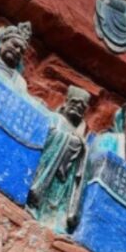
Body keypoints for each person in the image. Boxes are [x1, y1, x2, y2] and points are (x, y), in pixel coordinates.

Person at [26, 86, 91, 232]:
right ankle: (35, 207)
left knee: (59, 198)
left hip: (66, 178)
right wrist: (69, 140)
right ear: (66, 101)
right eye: (74, 103)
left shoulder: (80, 132)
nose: (77, 108)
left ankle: (57, 222)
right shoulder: (55, 118)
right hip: (50, 167)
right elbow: (47, 136)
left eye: (82, 107)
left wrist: (81, 146)